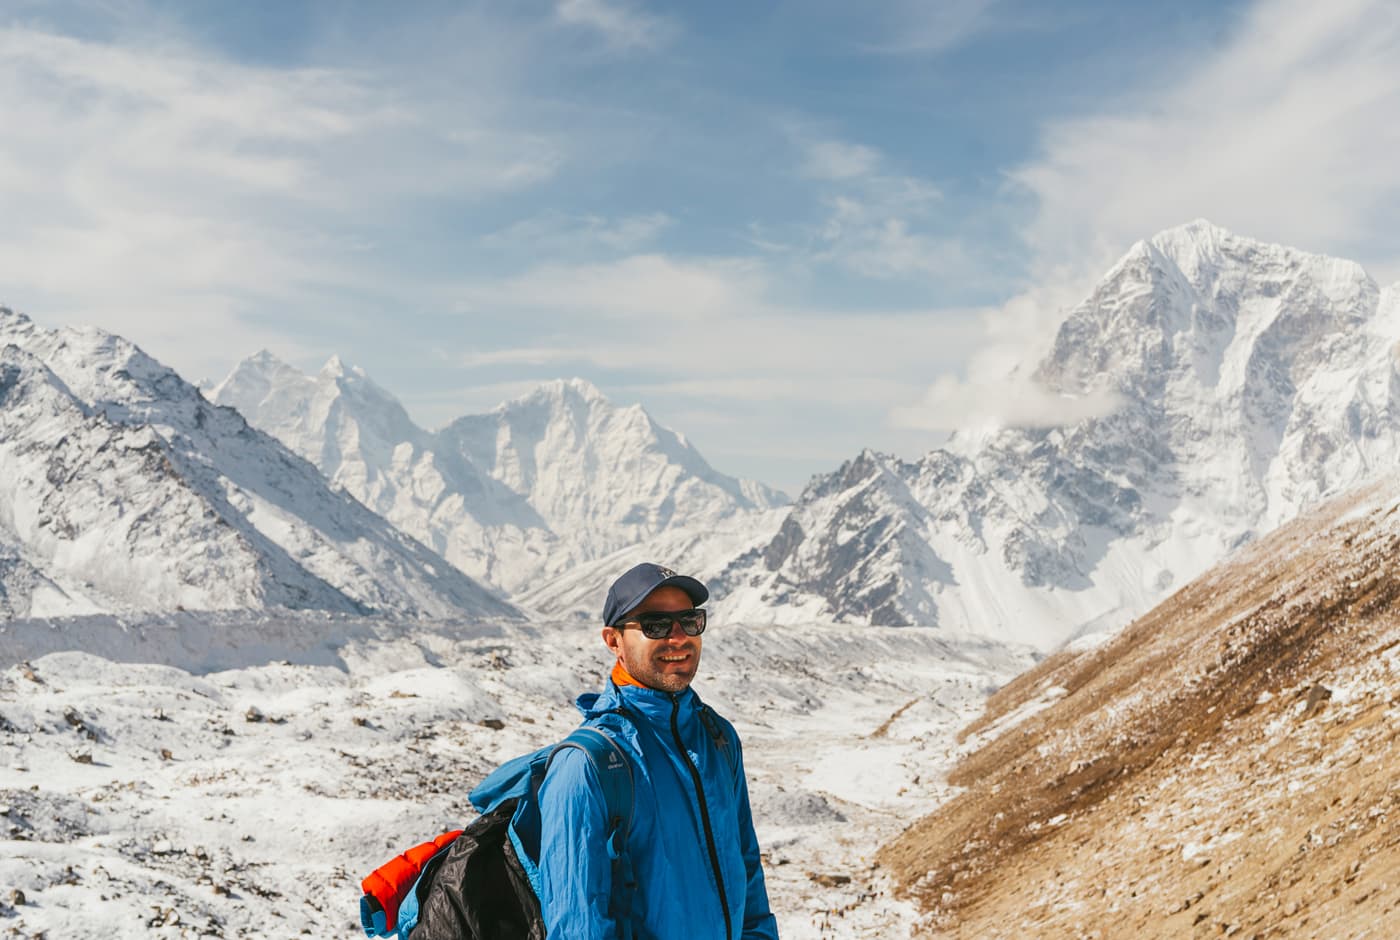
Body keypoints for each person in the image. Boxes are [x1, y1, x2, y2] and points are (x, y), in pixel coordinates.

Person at [537, 563, 780, 939]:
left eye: (690, 620)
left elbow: (746, 870)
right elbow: (577, 926)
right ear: (613, 640)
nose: (679, 638)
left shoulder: (716, 737)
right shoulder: (588, 765)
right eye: (655, 625)